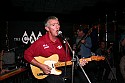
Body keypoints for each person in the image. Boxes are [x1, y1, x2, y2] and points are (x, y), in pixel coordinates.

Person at [24, 16, 88, 83]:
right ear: (47, 28)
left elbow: (67, 60)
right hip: (47, 72)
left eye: (58, 24)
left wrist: (77, 63)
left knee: (81, 78)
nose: (57, 27)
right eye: (53, 25)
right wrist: (41, 66)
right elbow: (26, 55)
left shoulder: (63, 42)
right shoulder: (41, 42)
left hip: (60, 69)